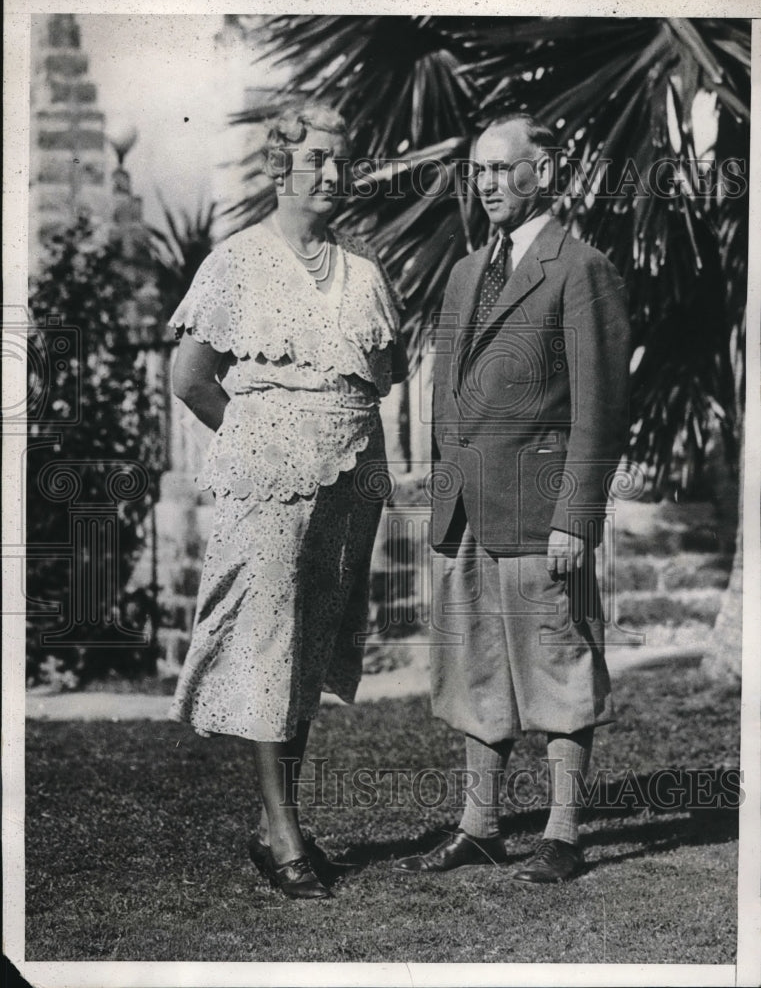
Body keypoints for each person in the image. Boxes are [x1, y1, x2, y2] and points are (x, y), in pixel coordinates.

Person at [167, 103, 406, 900]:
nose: (333, 175)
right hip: (266, 480)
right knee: (266, 640)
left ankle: (283, 820)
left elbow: (384, 369)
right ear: (279, 166)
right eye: (317, 161)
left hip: (348, 477)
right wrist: (261, 434)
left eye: (344, 161)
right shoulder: (235, 262)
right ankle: (279, 831)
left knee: (308, 640)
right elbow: (190, 378)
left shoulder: (363, 274)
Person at [394, 112, 630, 882]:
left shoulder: (578, 266)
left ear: (544, 174)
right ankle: (479, 824)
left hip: (540, 510)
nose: (487, 183)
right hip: (467, 508)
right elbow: (445, 393)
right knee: (474, 669)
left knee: (557, 665)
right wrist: (444, 487)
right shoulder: (465, 271)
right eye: (479, 171)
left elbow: (599, 405)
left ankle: (561, 833)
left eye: (502, 169)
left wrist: (575, 517)